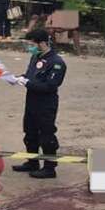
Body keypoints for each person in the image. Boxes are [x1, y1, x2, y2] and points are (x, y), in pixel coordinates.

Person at [12, 28, 66, 180]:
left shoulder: (56, 63)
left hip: (46, 104)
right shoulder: (36, 57)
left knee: (46, 136)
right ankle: (32, 162)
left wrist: (27, 83)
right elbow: (30, 76)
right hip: (31, 101)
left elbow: (50, 86)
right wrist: (18, 78)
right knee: (30, 134)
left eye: (31, 44)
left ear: (41, 43)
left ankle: (49, 168)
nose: (29, 47)